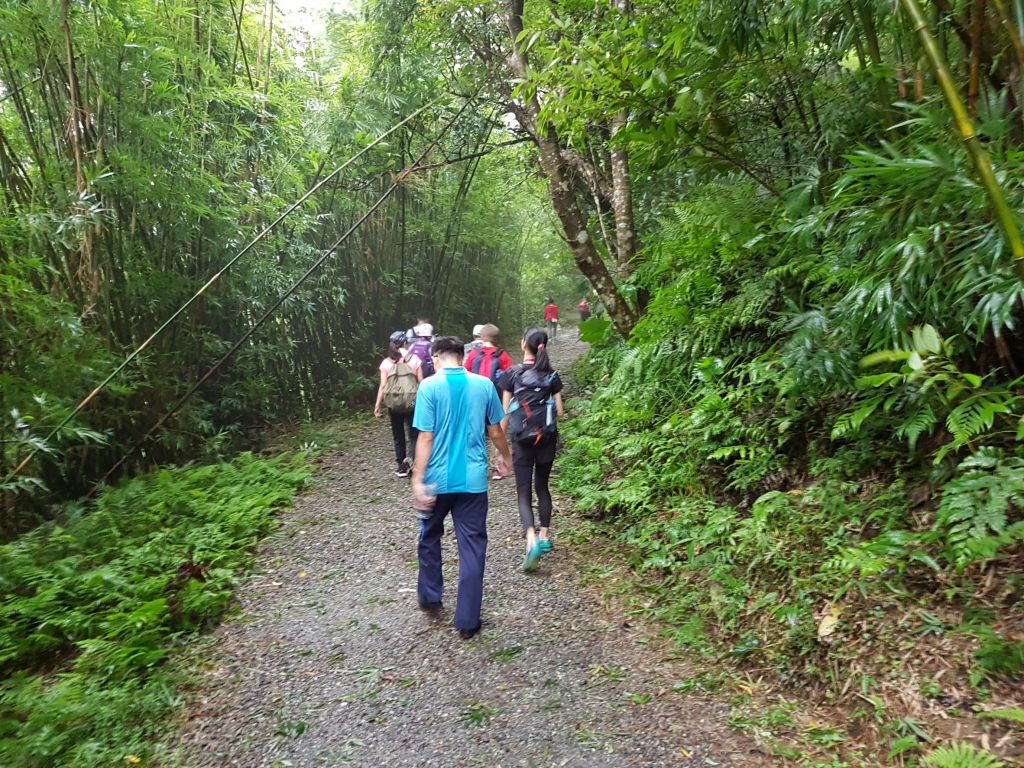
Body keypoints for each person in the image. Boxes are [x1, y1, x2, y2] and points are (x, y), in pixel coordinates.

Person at [411, 336, 513, 640]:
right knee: (472, 547)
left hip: (436, 479)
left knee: (429, 536)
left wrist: (417, 479)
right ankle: (467, 621)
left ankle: (430, 597)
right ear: (461, 356)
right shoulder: (483, 385)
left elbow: (425, 438)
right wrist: (505, 457)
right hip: (472, 481)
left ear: (437, 357)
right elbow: (495, 430)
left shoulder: (429, 387)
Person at [498, 328, 564, 572]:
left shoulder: (511, 374)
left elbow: (504, 414)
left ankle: (531, 539)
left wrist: (500, 448)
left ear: (523, 343)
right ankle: (545, 536)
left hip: (521, 441)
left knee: (523, 493)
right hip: (546, 439)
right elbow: (559, 412)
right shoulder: (551, 376)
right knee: (543, 486)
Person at [464, 324, 514, 480]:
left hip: (473, 400)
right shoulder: (502, 355)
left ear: (481, 337)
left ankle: (473, 466)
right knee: (496, 433)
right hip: (495, 398)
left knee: (473, 432)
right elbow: (509, 379)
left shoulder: (473, 354)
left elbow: (465, 372)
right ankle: (498, 468)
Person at [374, 331, 423, 477]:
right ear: (405, 344)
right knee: (414, 434)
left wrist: (377, 405)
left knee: (398, 434)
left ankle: (401, 466)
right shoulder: (414, 359)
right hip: (413, 402)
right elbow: (422, 382)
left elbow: (383, 386)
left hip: (393, 403)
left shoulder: (386, 363)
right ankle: (412, 461)